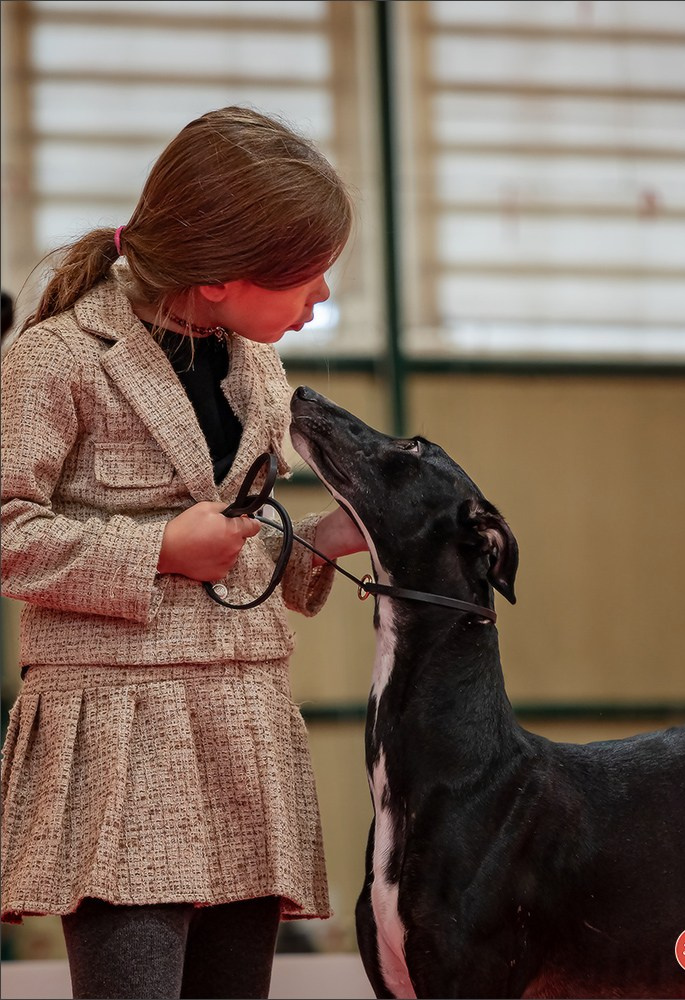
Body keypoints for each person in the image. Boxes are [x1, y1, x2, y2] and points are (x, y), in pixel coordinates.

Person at [0, 105, 367, 1000]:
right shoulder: (55, 359)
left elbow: (240, 548)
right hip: (120, 732)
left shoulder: (259, 369)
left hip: (244, 724)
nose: (320, 297)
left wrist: (322, 541)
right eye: (306, 275)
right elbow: (9, 534)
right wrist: (157, 548)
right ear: (218, 276)